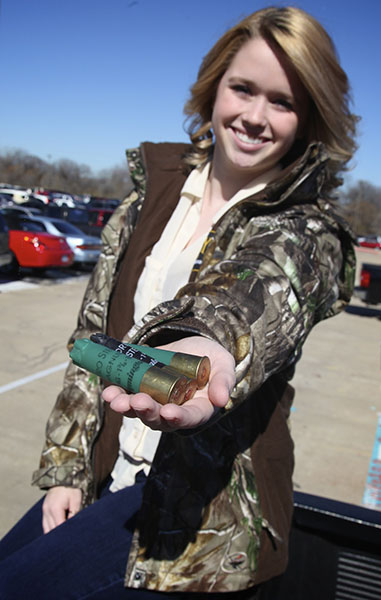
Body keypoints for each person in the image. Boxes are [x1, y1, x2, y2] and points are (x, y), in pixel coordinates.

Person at [0, 5, 358, 599]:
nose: (254, 116)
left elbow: (260, 288)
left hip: (197, 519)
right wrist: (66, 470)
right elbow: (92, 340)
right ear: (214, 84)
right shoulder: (151, 195)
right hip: (103, 472)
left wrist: (205, 343)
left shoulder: (306, 230)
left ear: (310, 118)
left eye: (284, 101)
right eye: (243, 89)